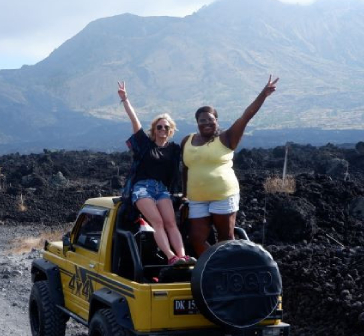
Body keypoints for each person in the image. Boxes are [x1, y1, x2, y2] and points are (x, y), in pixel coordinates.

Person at [181, 75, 279, 255]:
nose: (207, 123)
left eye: (211, 119)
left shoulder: (226, 138)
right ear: (197, 123)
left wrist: (263, 95)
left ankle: (226, 271)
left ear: (216, 120)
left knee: (225, 238)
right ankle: (210, 267)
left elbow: (246, 116)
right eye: (202, 120)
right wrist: (184, 194)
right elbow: (186, 168)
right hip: (197, 198)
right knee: (196, 238)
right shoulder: (187, 140)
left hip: (222, 195)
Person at [117, 81, 192, 265]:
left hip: (162, 189)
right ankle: (170, 257)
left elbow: (190, 161)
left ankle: (182, 256)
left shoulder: (174, 149)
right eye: (159, 127)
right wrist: (125, 99)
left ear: (171, 130)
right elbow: (135, 122)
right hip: (142, 188)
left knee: (171, 223)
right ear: (154, 130)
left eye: (166, 127)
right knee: (157, 222)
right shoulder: (145, 144)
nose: (163, 129)